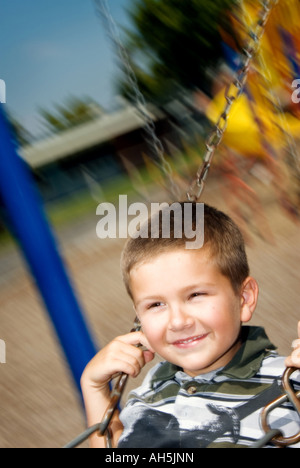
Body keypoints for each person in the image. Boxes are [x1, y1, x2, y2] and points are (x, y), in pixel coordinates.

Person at [81, 203, 300, 448]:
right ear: (138, 317)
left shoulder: (289, 383)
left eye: (196, 295)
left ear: (244, 298)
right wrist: (95, 389)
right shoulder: (150, 392)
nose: (178, 321)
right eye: (155, 305)